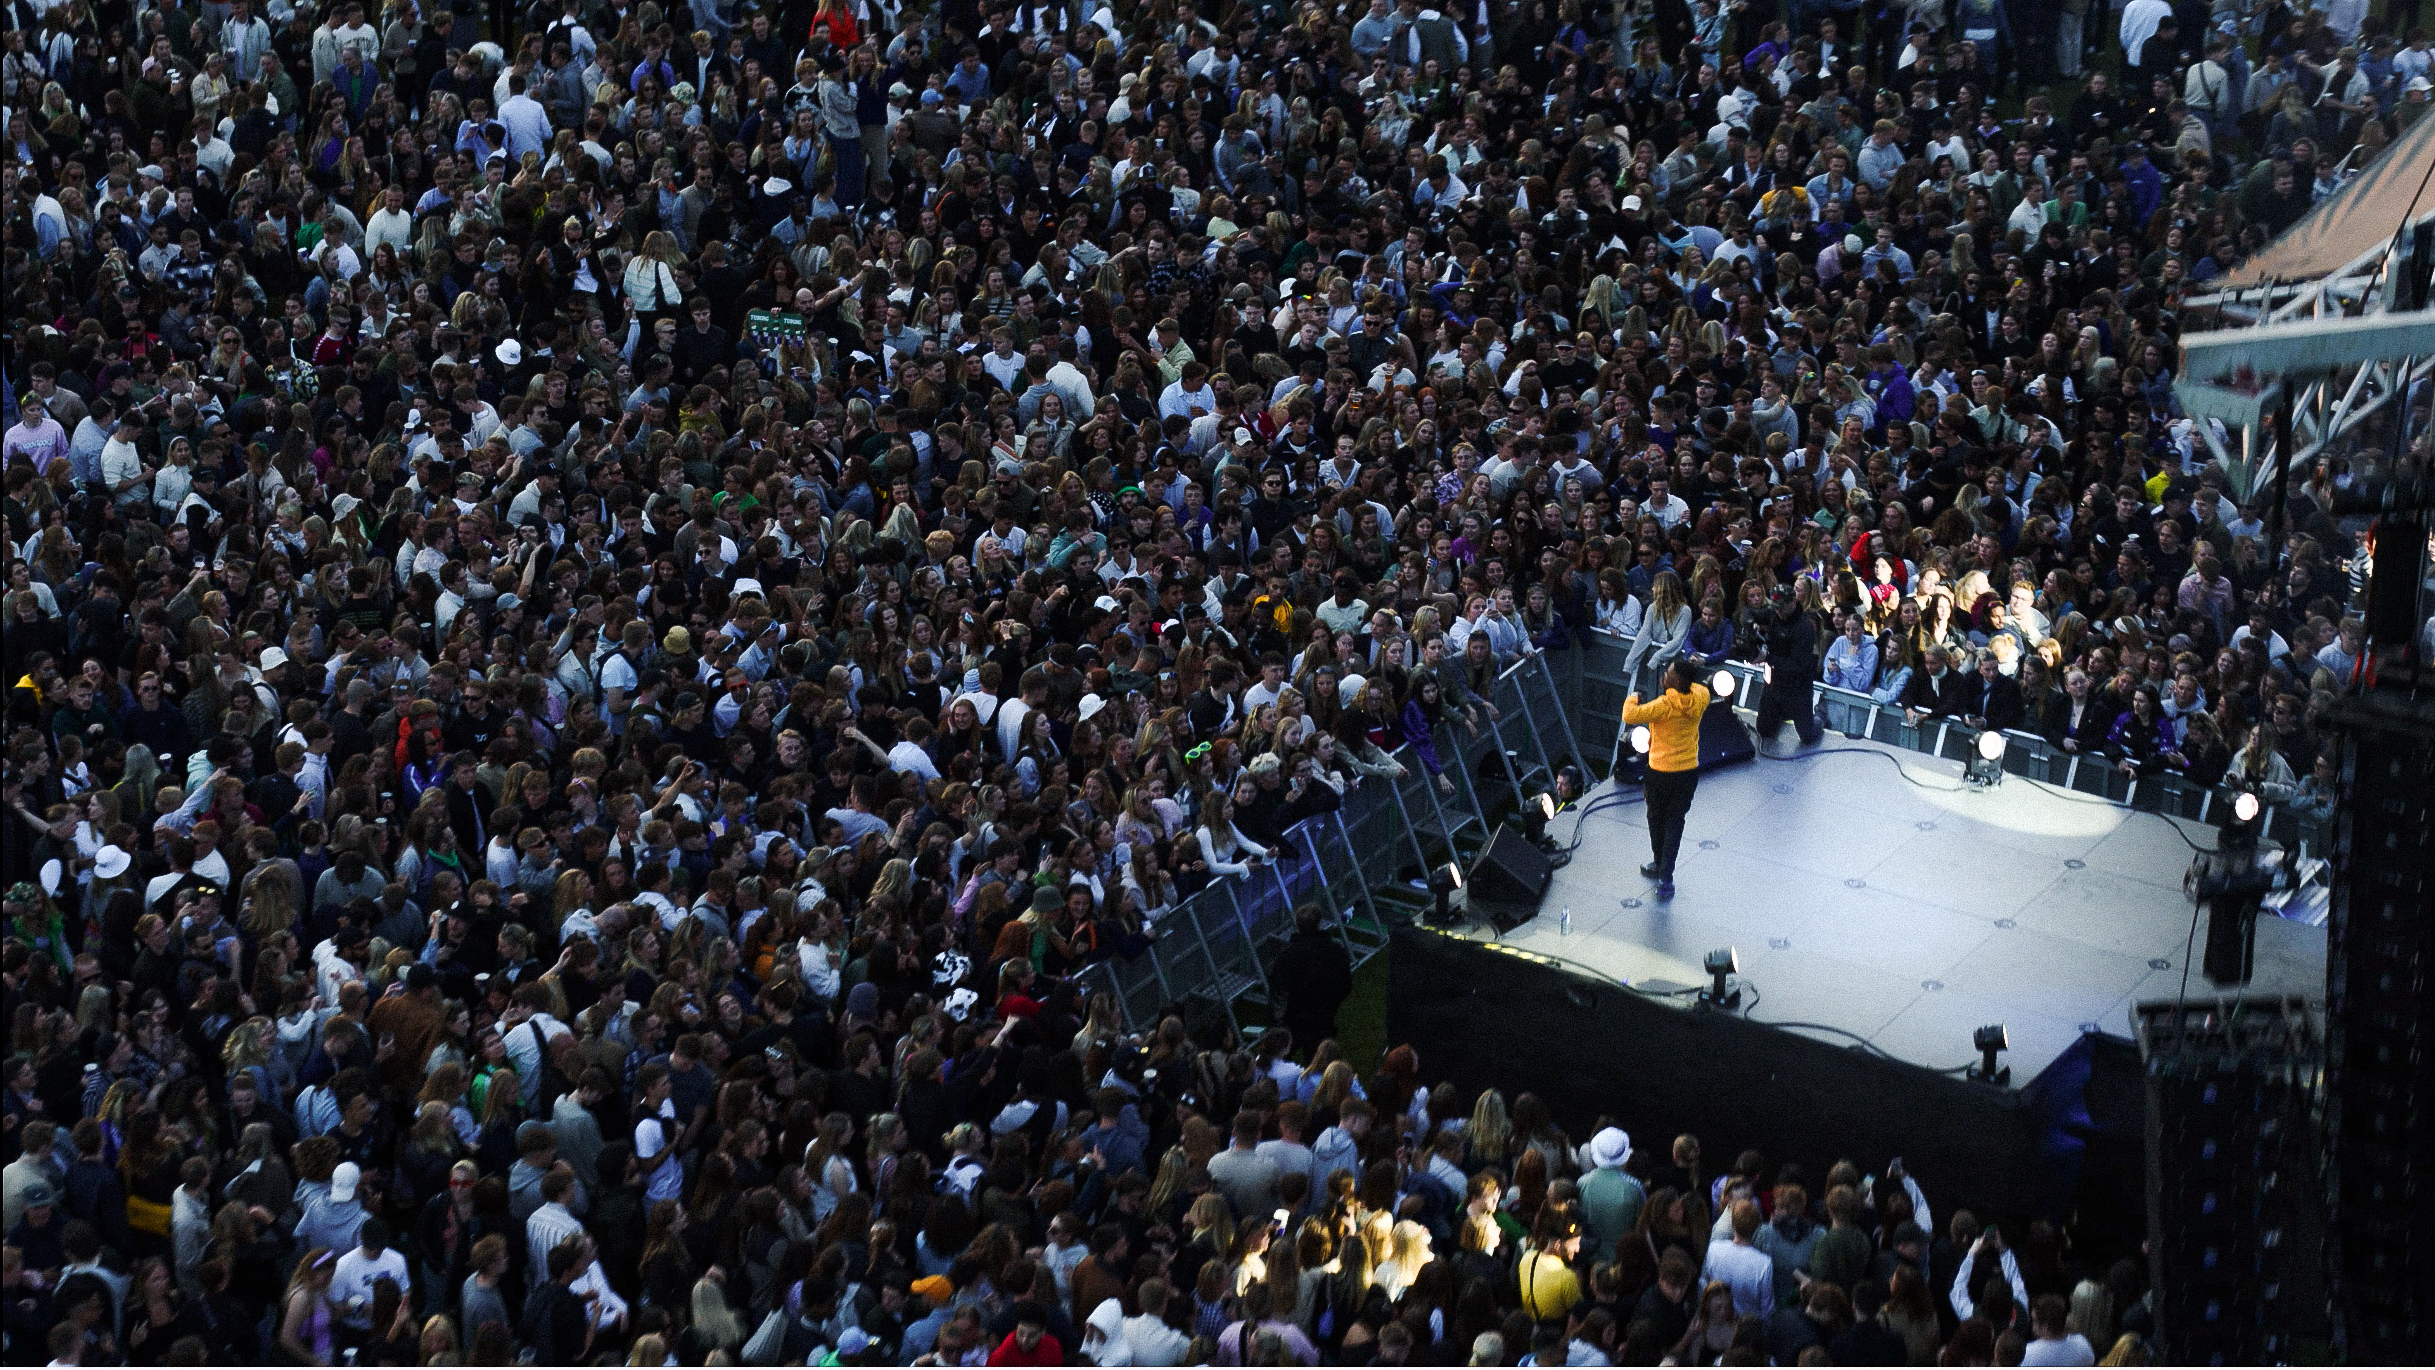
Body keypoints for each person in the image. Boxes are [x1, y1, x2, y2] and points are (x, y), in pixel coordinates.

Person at [1622, 660, 1710, 899]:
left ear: (1677, 681)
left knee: (1655, 819)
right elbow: (1702, 688)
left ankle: (1659, 864)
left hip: (1659, 773)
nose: (1664, 676)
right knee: (1675, 822)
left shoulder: (1663, 705)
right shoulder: (1701, 696)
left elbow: (1629, 715)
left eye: (1668, 674)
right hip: (1687, 772)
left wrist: (1633, 697)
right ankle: (1665, 875)